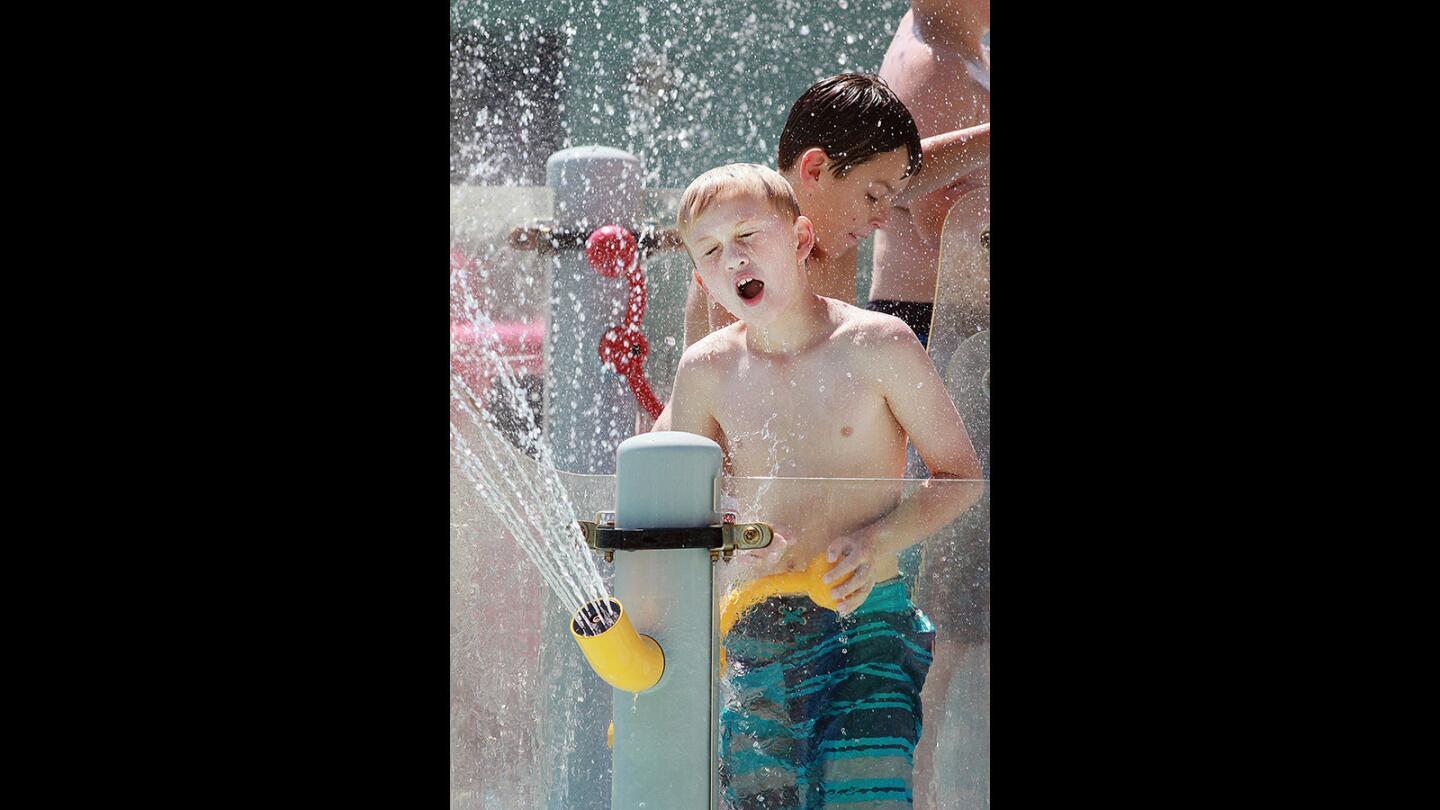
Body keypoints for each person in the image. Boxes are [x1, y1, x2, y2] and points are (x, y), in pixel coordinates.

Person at [659, 163, 982, 808]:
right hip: (760, 620)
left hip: (869, 616)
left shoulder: (877, 346)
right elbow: (674, 498)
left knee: (867, 790)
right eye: (713, 250)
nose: (735, 258)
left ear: (802, 238)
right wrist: (724, 533)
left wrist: (876, 539)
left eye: (749, 233)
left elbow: (962, 477)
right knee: (763, 796)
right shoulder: (707, 372)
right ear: (700, 277)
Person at [680, 73, 988, 351]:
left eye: (889, 197)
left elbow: (909, 170)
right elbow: (729, 393)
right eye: (872, 197)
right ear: (814, 170)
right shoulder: (742, 254)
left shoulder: (829, 220)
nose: (883, 216)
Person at [872, 0, 991, 345]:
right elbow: (941, 220)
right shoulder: (937, 64)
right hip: (933, 329)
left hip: (945, 323)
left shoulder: (955, 48)